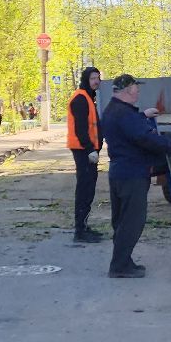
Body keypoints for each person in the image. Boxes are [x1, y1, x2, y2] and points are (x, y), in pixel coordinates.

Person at [100, 73, 171, 278]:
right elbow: (145, 139)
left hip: (120, 172)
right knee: (132, 221)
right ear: (127, 90)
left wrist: (142, 117)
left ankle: (123, 261)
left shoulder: (113, 110)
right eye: (136, 88)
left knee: (122, 220)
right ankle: (120, 266)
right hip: (132, 174)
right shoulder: (124, 114)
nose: (138, 91)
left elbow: (130, 128)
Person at [67, 67, 104, 243]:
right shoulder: (80, 99)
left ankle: (83, 226)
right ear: (85, 80)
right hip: (83, 151)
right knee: (84, 190)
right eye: (92, 78)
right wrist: (90, 149)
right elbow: (80, 129)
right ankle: (80, 231)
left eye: (98, 78)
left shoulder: (88, 97)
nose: (96, 81)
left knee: (88, 189)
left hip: (88, 151)